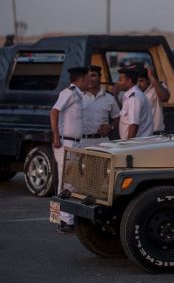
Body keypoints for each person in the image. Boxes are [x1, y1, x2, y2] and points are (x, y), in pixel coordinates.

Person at [49, 66, 89, 233]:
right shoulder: (70, 93)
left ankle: (59, 218)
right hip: (66, 143)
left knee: (69, 182)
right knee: (65, 182)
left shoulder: (78, 95)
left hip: (75, 143)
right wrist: (56, 136)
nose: (88, 81)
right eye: (86, 78)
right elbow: (54, 111)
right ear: (81, 80)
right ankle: (64, 222)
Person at [80, 65, 120, 147]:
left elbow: (118, 117)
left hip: (103, 141)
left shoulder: (109, 97)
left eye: (93, 75)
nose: (90, 79)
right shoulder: (77, 97)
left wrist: (111, 127)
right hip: (82, 142)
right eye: (87, 77)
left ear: (100, 77)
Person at [115, 67, 153, 140]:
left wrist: (129, 144)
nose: (118, 83)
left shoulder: (134, 97)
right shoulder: (130, 95)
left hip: (137, 144)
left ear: (129, 81)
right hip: (136, 144)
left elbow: (133, 124)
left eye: (120, 80)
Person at [136, 65, 170, 135]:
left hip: (155, 133)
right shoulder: (134, 91)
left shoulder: (157, 87)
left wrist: (151, 76)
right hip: (139, 135)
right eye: (136, 82)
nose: (138, 84)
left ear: (148, 80)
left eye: (141, 81)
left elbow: (164, 97)